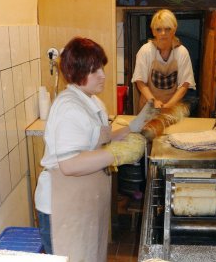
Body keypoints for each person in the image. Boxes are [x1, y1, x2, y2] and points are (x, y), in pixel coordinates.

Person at [34, 37, 157, 261]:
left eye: (101, 66)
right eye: (94, 70)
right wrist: (116, 154)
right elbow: (69, 165)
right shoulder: (68, 107)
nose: (103, 74)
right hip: (63, 204)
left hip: (85, 199)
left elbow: (101, 136)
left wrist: (132, 127)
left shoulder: (92, 101)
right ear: (76, 72)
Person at [131, 9, 196, 111]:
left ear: (174, 30)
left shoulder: (182, 52)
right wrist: (154, 101)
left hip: (172, 106)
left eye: (167, 29)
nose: (163, 33)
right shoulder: (145, 51)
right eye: (158, 29)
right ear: (153, 31)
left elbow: (185, 84)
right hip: (148, 105)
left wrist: (168, 105)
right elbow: (140, 82)